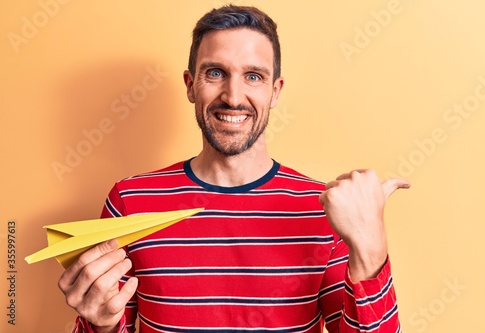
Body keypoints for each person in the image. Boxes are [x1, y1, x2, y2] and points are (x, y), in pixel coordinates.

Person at [58, 5, 409, 333]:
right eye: (215, 73)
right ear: (190, 85)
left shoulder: (323, 210)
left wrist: (371, 248)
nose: (234, 96)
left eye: (253, 76)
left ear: (275, 91)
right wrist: (100, 326)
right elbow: (105, 319)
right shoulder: (130, 201)